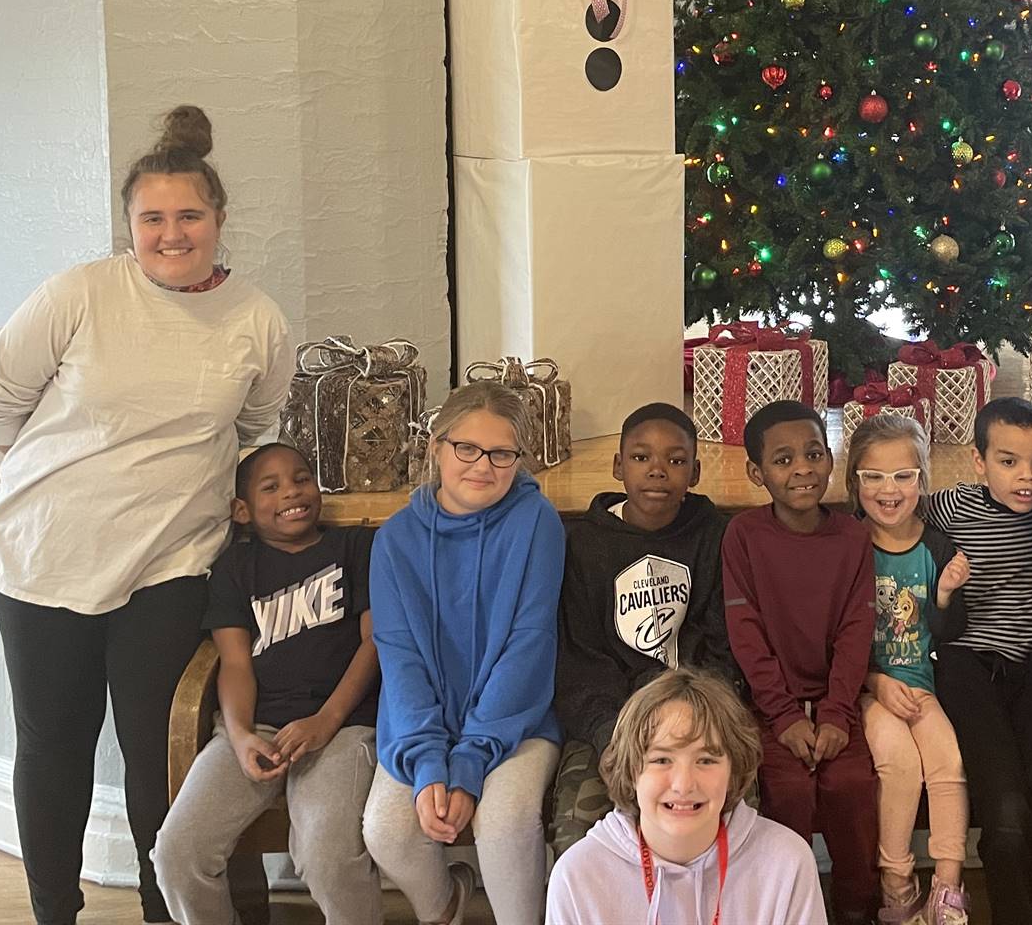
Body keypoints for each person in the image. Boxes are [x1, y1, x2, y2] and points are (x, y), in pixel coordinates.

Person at [0, 105, 294, 925]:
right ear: (129, 225)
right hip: (44, 556)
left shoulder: (256, 319)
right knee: (54, 749)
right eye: (152, 218)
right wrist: (53, 472)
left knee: (161, 756)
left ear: (220, 221)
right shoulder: (79, 294)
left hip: (170, 564)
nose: (171, 233)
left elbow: (253, 427)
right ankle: (54, 912)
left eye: (189, 216)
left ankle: (169, 911)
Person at [361, 382, 563, 925]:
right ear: (437, 447)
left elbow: (529, 645)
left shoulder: (537, 522)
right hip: (420, 724)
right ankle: (444, 908)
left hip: (514, 720)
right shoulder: (395, 540)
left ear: (518, 459)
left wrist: (471, 760)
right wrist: (429, 763)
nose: (483, 465)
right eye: (466, 448)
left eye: (501, 453)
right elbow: (400, 660)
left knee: (503, 823)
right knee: (387, 829)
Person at [154, 443, 382, 923]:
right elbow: (234, 664)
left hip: (341, 728)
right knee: (177, 852)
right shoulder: (235, 570)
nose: (292, 492)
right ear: (242, 510)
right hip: (255, 729)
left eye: (301, 478)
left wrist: (326, 720)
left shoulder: (355, 549)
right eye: (271, 486)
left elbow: (374, 644)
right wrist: (238, 736)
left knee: (325, 853)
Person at [924, 398, 1032, 925]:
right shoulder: (949, 507)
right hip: (967, 665)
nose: (1027, 478)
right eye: (1008, 461)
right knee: (1009, 813)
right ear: (979, 461)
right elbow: (883, 512)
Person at [552, 402, 735, 856]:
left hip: (696, 719)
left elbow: (723, 645)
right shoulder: (585, 545)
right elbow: (579, 658)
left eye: (675, 461)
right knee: (576, 829)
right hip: (610, 723)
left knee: (729, 816)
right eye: (640, 458)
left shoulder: (715, 538)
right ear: (618, 466)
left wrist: (688, 723)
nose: (658, 471)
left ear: (694, 472)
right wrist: (612, 733)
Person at [723, 400, 880, 925]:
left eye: (814, 454)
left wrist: (836, 714)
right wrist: (786, 716)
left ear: (831, 457)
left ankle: (858, 908)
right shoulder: (743, 537)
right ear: (757, 472)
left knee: (852, 787)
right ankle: (790, 909)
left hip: (839, 704)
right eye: (784, 460)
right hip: (771, 708)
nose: (803, 469)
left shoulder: (853, 538)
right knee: (787, 791)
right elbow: (746, 637)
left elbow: (857, 632)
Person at [545, 668, 830, 924]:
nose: (683, 784)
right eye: (661, 760)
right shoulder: (577, 877)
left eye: (706, 760)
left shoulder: (787, 863)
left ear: (734, 770)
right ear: (632, 771)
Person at [844, 415, 971, 925]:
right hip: (870, 689)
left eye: (902, 476)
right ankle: (896, 886)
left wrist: (943, 594)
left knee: (948, 763)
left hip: (924, 685)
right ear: (854, 480)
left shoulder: (936, 547)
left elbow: (947, 631)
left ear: (922, 477)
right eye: (873, 476)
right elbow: (836, 636)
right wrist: (874, 682)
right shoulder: (848, 546)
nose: (888, 490)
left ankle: (948, 887)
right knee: (898, 764)